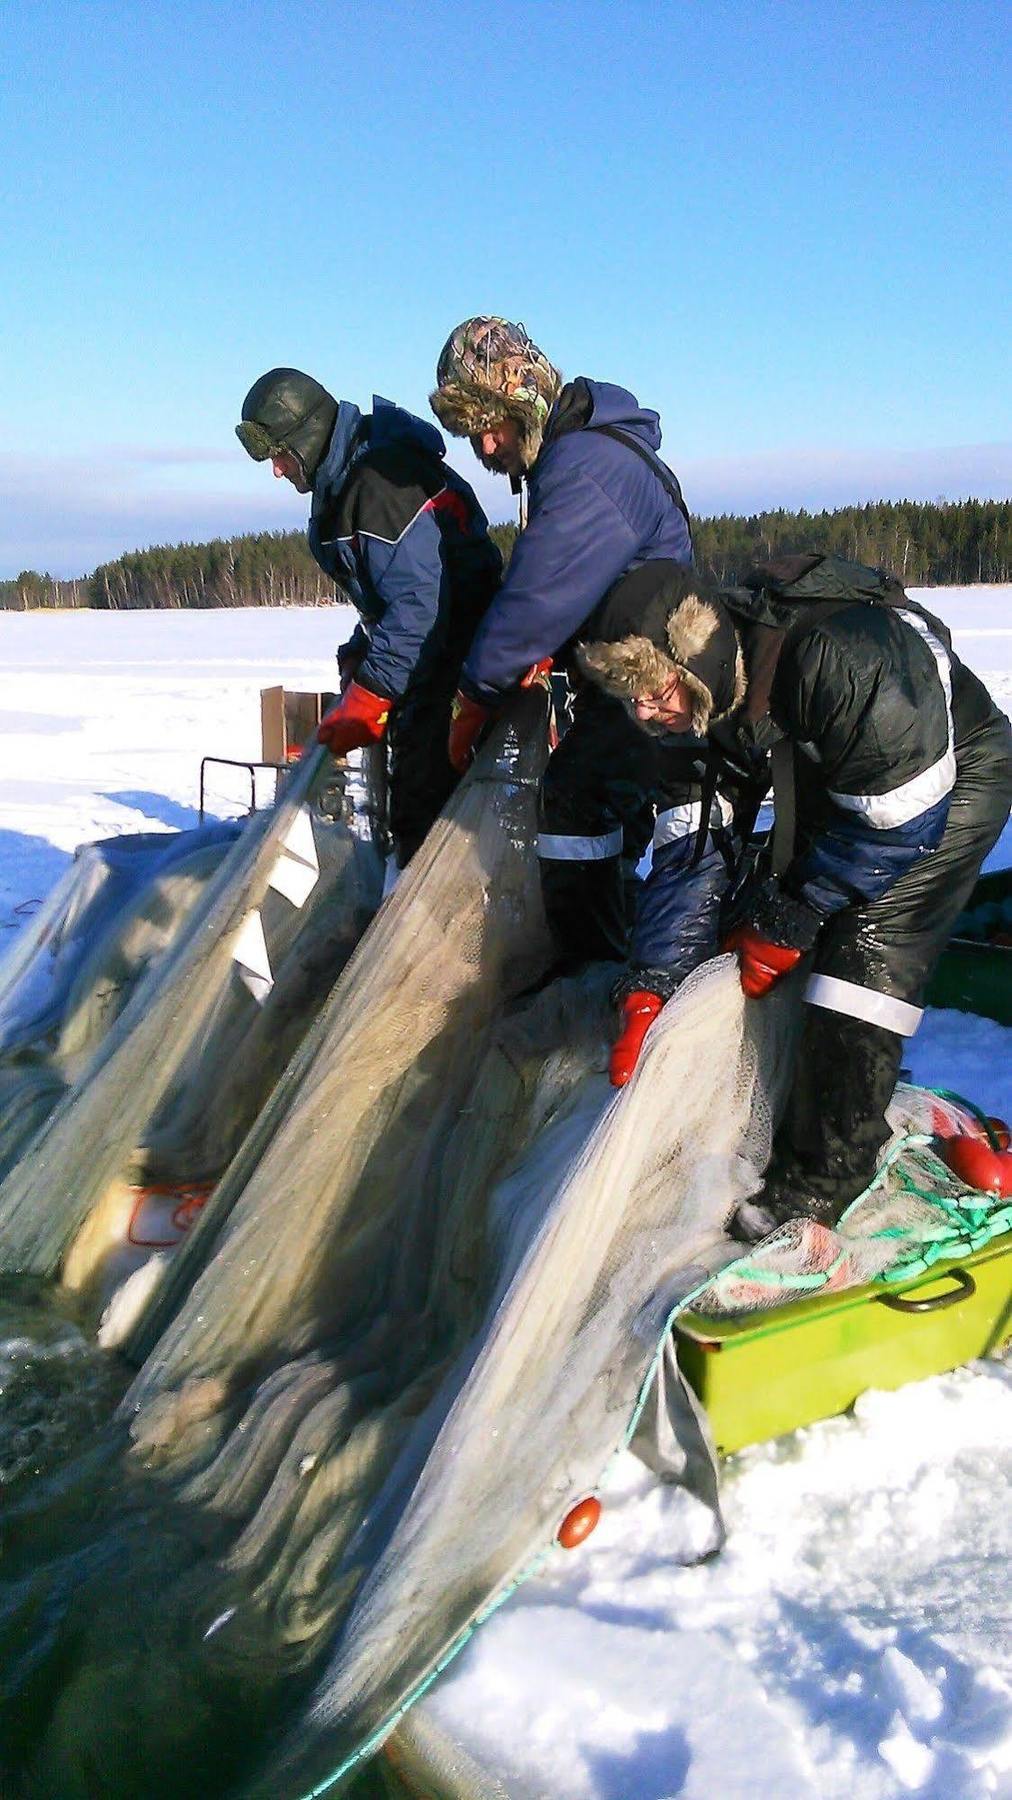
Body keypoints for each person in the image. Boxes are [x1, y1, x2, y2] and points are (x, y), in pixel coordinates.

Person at [575, 552, 1012, 1239]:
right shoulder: (691, 707)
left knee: (863, 954)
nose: (645, 709)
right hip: (844, 779)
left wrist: (794, 914)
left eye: (656, 688)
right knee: (759, 917)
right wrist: (656, 980)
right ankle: (809, 1108)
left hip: (943, 783)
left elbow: (901, 818)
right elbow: (692, 842)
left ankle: (821, 1183)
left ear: (697, 654)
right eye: (629, 697)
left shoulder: (837, 659)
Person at [428, 317, 693, 964]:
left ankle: (587, 986)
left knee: (576, 810)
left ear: (531, 403)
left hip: (654, 686)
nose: (486, 446)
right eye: (471, 434)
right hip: (629, 680)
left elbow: (536, 597)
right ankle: (607, 969)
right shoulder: (578, 456)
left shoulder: (584, 465)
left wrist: (474, 694)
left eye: (494, 423)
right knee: (598, 816)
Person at [236, 368, 502, 866]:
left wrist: (373, 689)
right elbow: (387, 596)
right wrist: (362, 653)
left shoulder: (378, 482)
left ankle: (421, 925)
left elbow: (421, 606)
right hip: (433, 657)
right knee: (405, 806)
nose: (276, 470)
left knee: (424, 814)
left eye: (278, 454)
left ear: (306, 436)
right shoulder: (346, 479)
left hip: (463, 664)